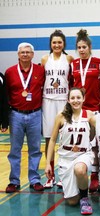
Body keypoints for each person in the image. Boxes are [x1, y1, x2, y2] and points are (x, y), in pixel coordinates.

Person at [45, 87, 95, 215]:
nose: (75, 100)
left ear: (83, 99)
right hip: (66, 158)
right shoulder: (61, 116)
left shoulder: (89, 115)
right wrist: (47, 164)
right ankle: (78, 188)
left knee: (80, 169)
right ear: (68, 100)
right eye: (72, 98)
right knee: (72, 201)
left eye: (78, 97)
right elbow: (52, 140)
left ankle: (84, 198)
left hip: (83, 155)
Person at [5, 42, 45, 193]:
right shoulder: (10, 72)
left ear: (33, 54)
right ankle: (14, 181)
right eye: (22, 52)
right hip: (16, 114)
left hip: (35, 114)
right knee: (15, 150)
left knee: (35, 149)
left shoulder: (41, 71)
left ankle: (34, 180)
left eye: (28, 52)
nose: (25, 54)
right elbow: (6, 94)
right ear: (18, 54)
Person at [71, 29, 100, 193]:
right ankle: (80, 172)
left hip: (95, 109)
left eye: (84, 46)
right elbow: (71, 87)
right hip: (79, 110)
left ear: (89, 47)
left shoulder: (99, 62)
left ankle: (95, 175)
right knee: (81, 142)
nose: (82, 50)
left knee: (96, 144)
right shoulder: (73, 64)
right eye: (79, 47)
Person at [41, 29, 74, 188]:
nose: (57, 45)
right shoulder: (44, 59)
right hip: (48, 101)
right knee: (49, 138)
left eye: (59, 42)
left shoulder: (68, 58)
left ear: (64, 44)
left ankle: (63, 174)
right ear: (50, 44)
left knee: (65, 139)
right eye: (54, 42)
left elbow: (73, 81)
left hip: (63, 101)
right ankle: (50, 175)